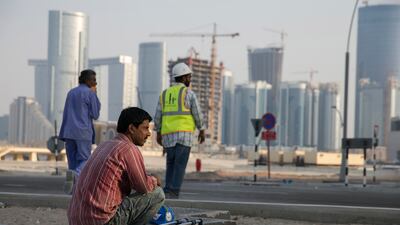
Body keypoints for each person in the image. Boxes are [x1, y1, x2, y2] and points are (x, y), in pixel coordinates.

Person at [68, 107, 165, 225]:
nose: (149, 133)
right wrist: (154, 179)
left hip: (76, 219)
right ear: (131, 128)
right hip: (102, 221)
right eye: (145, 128)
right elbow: (143, 186)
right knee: (157, 194)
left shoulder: (105, 145)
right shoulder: (128, 149)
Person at [154, 62, 206, 199]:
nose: (190, 79)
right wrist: (202, 129)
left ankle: (167, 190)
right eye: (189, 77)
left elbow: (158, 116)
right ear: (183, 78)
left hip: (168, 136)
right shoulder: (189, 93)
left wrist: (158, 133)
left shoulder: (164, 94)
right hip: (184, 135)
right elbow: (197, 113)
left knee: (170, 164)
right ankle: (174, 192)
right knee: (180, 165)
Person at [59, 69, 101, 193]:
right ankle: (76, 174)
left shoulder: (71, 93)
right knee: (85, 160)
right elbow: (95, 114)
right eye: (93, 79)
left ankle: (74, 189)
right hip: (83, 132)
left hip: (68, 131)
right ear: (87, 80)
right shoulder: (90, 93)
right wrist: (95, 94)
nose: (95, 82)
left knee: (72, 161)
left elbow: (66, 113)